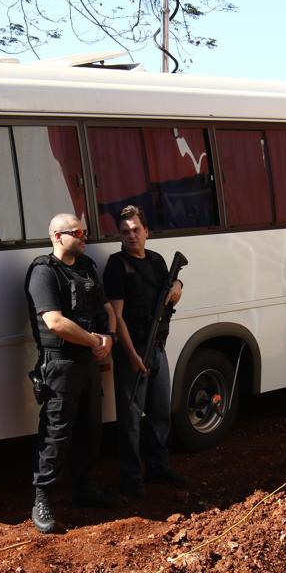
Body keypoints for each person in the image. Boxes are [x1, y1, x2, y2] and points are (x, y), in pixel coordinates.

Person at [24, 213, 118, 534]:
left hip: (88, 363)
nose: (84, 236)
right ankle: (42, 499)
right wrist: (95, 340)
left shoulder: (87, 267)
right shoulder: (43, 272)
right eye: (77, 232)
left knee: (92, 430)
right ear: (57, 236)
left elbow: (105, 309)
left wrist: (109, 337)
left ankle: (84, 489)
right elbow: (55, 322)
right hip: (59, 364)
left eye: (85, 231)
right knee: (55, 433)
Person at [103, 205, 185, 498]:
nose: (131, 236)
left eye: (136, 230)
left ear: (146, 231)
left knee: (161, 412)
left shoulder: (158, 261)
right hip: (133, 351)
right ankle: (132, 478)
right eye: (125, 232)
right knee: (130, 420)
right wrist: (133, 355)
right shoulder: (116, 265)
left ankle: (158, 468)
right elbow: (117, 317)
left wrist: (178, 284)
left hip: (158, 348)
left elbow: (171, 290)